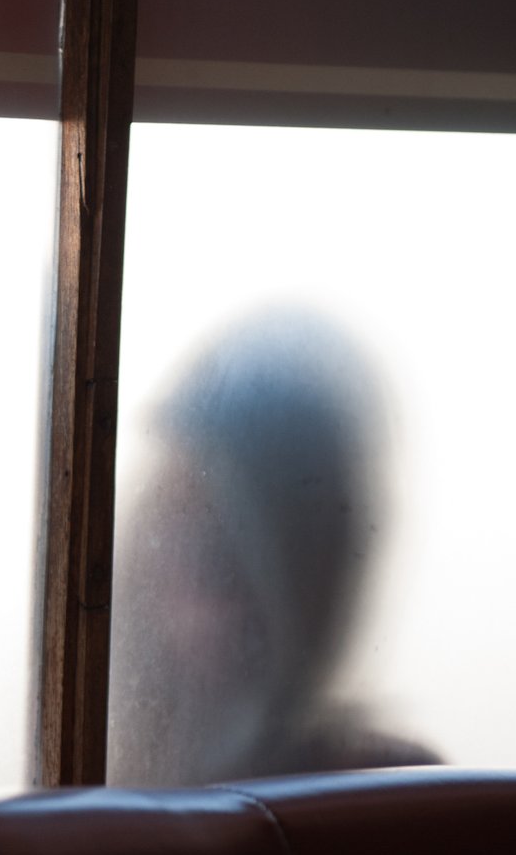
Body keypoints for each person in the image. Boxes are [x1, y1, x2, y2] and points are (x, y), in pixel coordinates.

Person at [109, 307, 438, 787]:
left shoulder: (383, 796)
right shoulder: (99, 768)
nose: (203, 581)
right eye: (173, 521)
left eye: (237, 550)